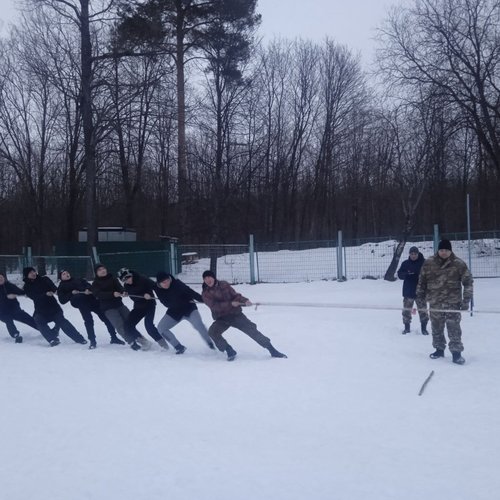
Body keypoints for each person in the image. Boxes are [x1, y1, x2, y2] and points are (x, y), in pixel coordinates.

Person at [201, 270, 287, 361]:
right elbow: (215, 307)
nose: (208, 280)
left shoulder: (224, 284)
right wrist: (231, 304)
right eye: (205, 278)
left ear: (213, 277)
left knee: (252, 330)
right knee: (212, 332)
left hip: (235, 315)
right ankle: (229, 350)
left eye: (209, 277)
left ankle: (272, 350)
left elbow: (236, 296)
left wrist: (245, 300)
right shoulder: (205, 293)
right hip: (222, 318)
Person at [416, 239, 473, 365]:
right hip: (435, 302)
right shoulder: (429, 263)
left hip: (452, 303)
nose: (443, 253)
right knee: (436, 327)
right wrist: (420, 297)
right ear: (438, 250)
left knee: (454, 327)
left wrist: (466, 300)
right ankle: (439, 349)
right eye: (441, 250)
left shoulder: (459, 264)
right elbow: (422, 281)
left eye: (446, 250)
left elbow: (468, 283)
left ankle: (456, 353)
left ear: (450, 251)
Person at [57, 269, 125, 349]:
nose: (67, 274)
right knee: (89, 321)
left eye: (67, 272)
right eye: (64, 274)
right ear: (61, 277)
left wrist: (88, 289)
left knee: (105, 318)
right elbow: (62, 300)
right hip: (82, 305)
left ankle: (114, 337)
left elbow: (90, 286)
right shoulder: (61, 287)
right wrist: (71, 293)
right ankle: (93, 341)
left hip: (92, 301)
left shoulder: (78, 279)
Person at [91, 264, 152, 351]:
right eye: (100, 270)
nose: (103, 270)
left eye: (104, 268)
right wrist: (112, 294)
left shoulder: (113, 279)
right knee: (120, 326)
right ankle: (132, 342)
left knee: (130, 323)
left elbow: (120, 288)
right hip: (108, 308)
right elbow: (98, 295)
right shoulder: (95, 283)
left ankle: (142, 340)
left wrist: (123, 292)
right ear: (96, 273)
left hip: (119, 305)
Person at [22, 267, 87, 347]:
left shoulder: (44, 279)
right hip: (40, 310)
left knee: (62, 322)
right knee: (38, 320)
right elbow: (34, 297)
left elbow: (54, 288)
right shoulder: (26, 287)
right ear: (26, 275)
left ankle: (79, 338)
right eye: (30, 273)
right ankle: (52, 339)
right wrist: (45, 294)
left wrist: (56, 292)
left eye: (34, 271)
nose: (33, 273)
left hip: (54, 308)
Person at [155, 271, 215, 354]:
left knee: (198, 325)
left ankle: (210, 343)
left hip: (189, 309)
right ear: (159, 284)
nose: (166, 284)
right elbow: (165, 303)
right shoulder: (158, 289)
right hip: (174, 311)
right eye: (163, 283)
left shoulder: (177, 284)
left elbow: (191, 292)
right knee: (161, 328)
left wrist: (204, 300)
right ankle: (178, 347)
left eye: (167, 281)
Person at [117, 267, 169, 351]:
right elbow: (126, 291)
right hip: (139, 306)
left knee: (149, 326)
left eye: (128, 277)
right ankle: (145, 342)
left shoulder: (142, 279)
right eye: (124, 280)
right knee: (128, 325)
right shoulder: (127, 285)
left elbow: (156, 286)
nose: (127, 280)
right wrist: (125, 293)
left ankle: (164, 345)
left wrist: (149, 294)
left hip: (149, 305)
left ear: (131, 275)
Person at [397, 246, 429, 335]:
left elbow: (430, 274)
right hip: (408, 291)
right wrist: (407, 274)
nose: (413, 256)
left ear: (418, 254)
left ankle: (424, 328)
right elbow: (399, 274)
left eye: (415, 254)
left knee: (423, 311)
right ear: (409, 254)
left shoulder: (424, 263)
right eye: (412, 254)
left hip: (421, 291)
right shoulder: (405, 263)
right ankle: (407, 328)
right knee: (406, 311)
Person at [0, 271, 39, 343]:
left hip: (14, 309)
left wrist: (17, 294)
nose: (0, 279)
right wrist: (6, 297)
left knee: (28, 319)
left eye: (1, 277)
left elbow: (21, 292)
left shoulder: (9, 285)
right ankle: (16, 335)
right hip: (2, 313)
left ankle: (44, 329)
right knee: (9, 321)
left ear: (4, 278)